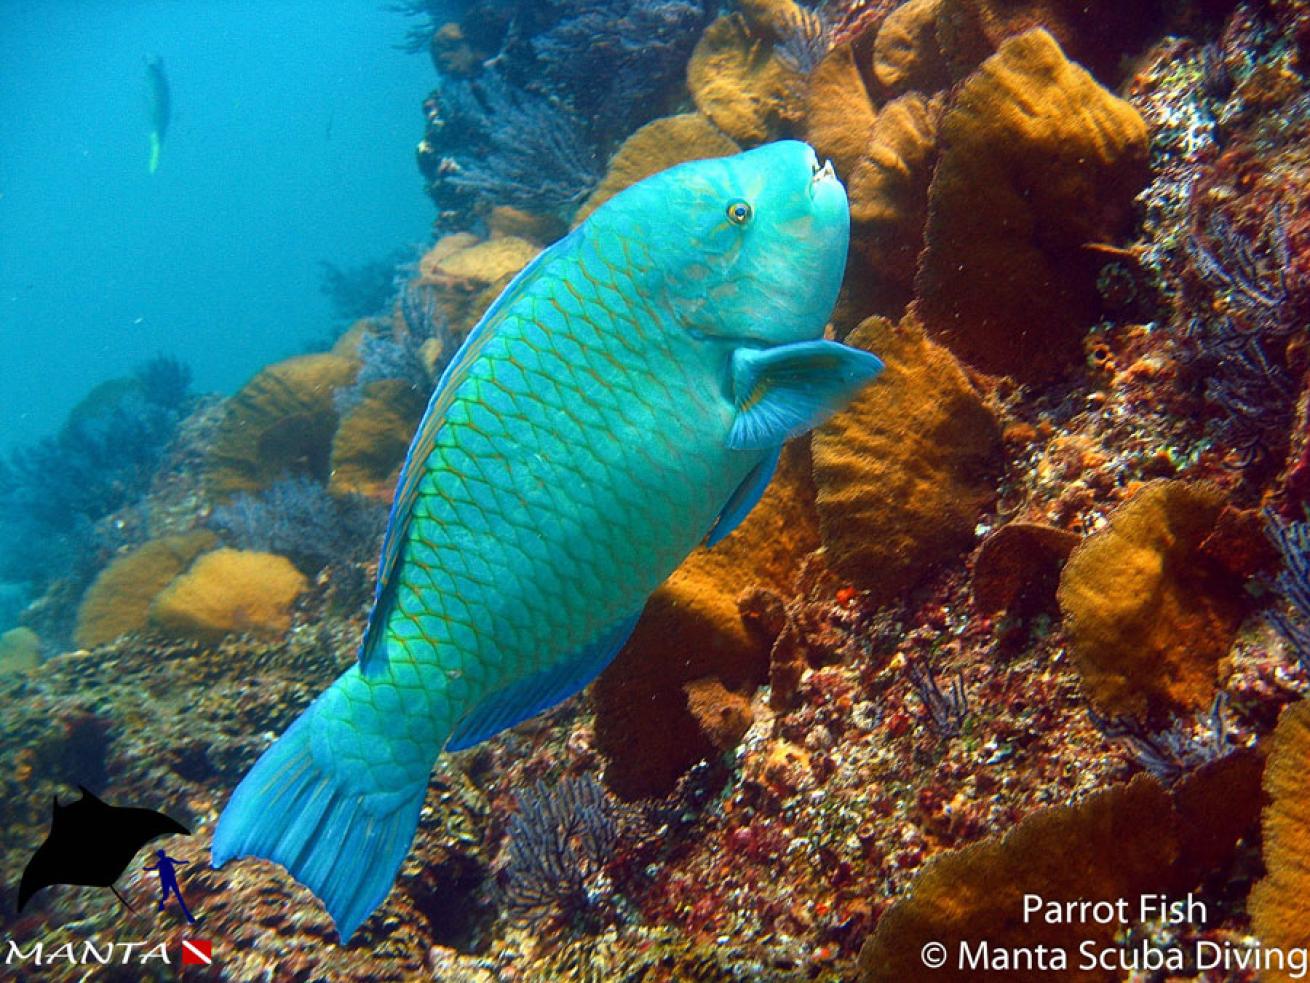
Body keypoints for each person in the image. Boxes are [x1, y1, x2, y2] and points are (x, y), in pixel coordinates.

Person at [144, 849, 195, 923]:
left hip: (169, 880)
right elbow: (177, 862)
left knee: (173, 896)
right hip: (170, 880)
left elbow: (177, 862)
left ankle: (187, 916)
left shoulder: (162, 861)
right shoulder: (165, 860)